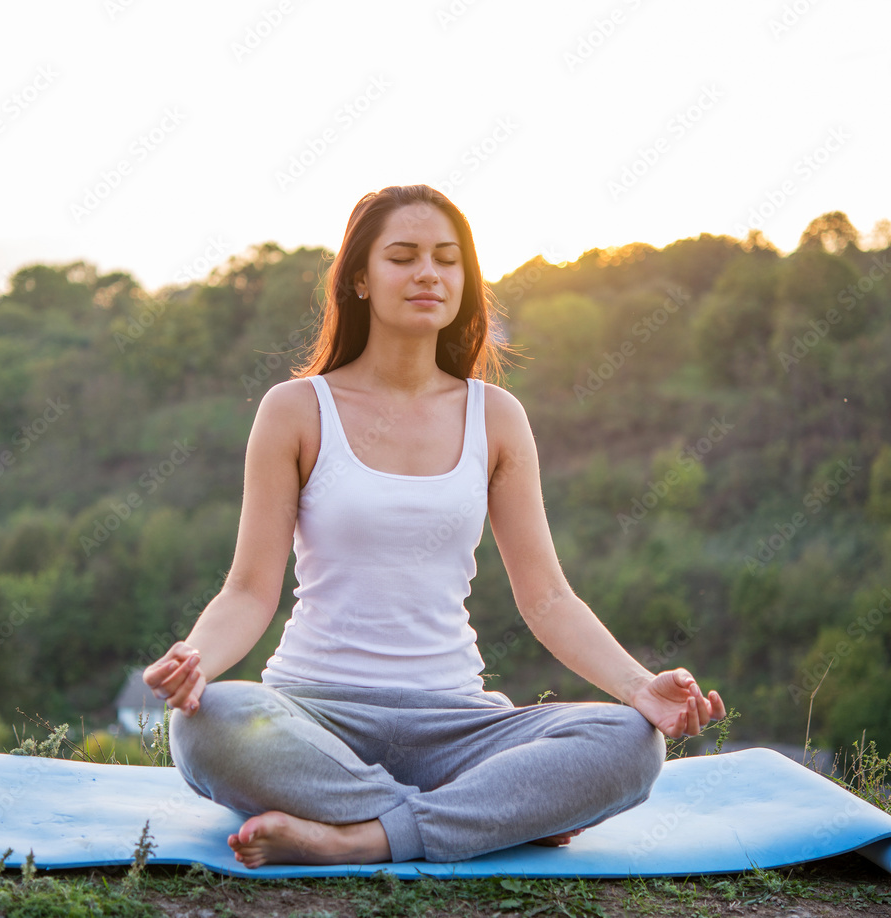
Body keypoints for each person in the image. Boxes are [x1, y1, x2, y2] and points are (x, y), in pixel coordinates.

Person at [143, 184, 726, 869]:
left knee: (630, 744)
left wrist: (637, 687)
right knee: (210, 726)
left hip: (457, 724)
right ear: (359, 278)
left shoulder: (496, 417)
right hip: (316, 717)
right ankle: (479, 816)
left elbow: (547, 600)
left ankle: (359, 836)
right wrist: (198, 661)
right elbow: (247, 592)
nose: (429, 273)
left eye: (448, 260)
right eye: (404, 256)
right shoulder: (296, 410)